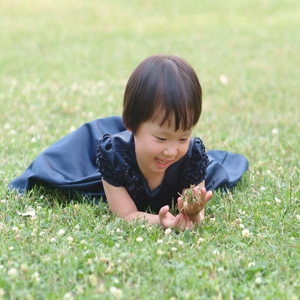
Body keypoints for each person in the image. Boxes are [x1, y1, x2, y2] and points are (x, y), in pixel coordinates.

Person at [8, 54, 249, 231]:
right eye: (161, 138)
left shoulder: (192, 157)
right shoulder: (113, 157)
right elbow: (125, 215)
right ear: (130, 124)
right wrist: (161, 222)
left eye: (183, 137)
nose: (172, 149)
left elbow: (194, 218)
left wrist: (193, 212)